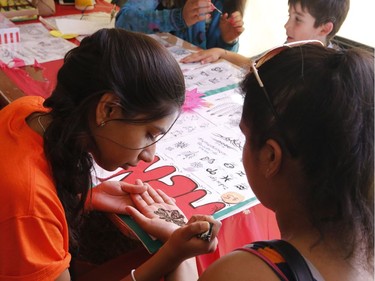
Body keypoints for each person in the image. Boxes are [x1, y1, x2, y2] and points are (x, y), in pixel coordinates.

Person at [127, 43, 374, 280]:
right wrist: (180, 250)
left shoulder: (244, 274)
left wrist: (173, 254)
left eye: (245, 135)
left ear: (270, 157)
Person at [0, 28, 221, 281]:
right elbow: (27, 205)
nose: (150, 155)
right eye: (150, 134)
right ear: (107, 110)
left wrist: (86, 196)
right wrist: (172, 255)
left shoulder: (29, 110)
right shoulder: (29, 202)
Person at [180, 0, 350, 66]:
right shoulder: (288, 51)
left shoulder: (329, 73)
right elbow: (254, 65)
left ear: (324, 28)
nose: (286, 25)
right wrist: (221, 52)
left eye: (298, 19)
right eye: (290, 16)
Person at [114, 0, 245, 52]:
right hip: (151, 69)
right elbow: (123, 21)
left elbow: (216, 59)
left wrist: (227, 41)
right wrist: (178, 18)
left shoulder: (225, 4)